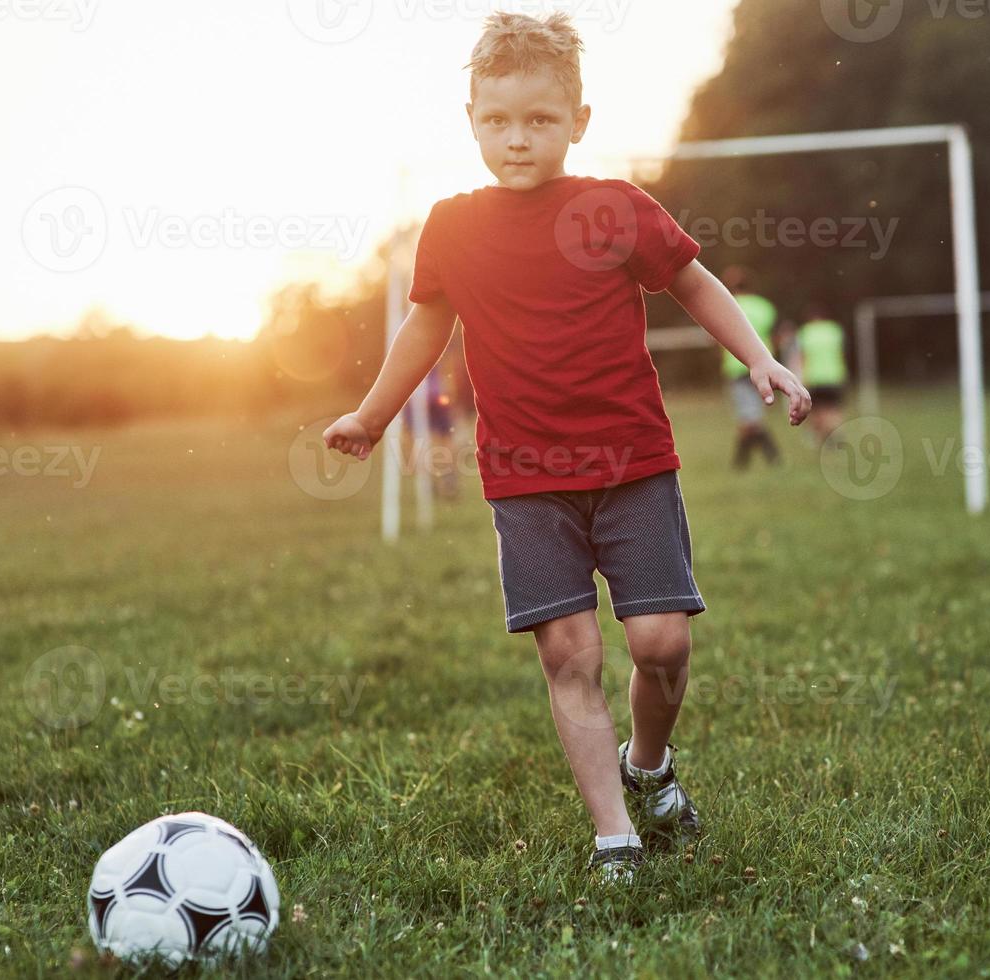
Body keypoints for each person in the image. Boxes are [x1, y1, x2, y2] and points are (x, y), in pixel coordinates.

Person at [322, 13, 811, 882]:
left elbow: (693, 280)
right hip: (525, 481)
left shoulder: (614, 208)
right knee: (570, 655)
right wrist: (370, 414)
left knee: (662, 644)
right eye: (499, 120)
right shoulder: (452, 227)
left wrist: (761, 357)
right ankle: (614, 838)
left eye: (541, 120)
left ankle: (649, 771)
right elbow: (422, 329)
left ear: (579, 120)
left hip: (633, 466)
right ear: (470, 117)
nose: (518, 139)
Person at [719, 266, 783, 469]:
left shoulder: (726, 304)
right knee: (751, 415)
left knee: (749, 417)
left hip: (737, 367)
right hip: (763, 367)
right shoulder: (764, 307)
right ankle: (746, 462)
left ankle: (767, 457)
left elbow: (715, 337)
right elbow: (776, 336)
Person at [795, 301, 848, 446]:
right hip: (835, 375)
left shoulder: (805, 332)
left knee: (817, 411)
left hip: (815, 376)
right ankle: (833, 433)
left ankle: (824, 435)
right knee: (833, 408)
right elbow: (841, 354)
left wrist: (801, 378)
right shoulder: (834, 330)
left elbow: (802, 357)